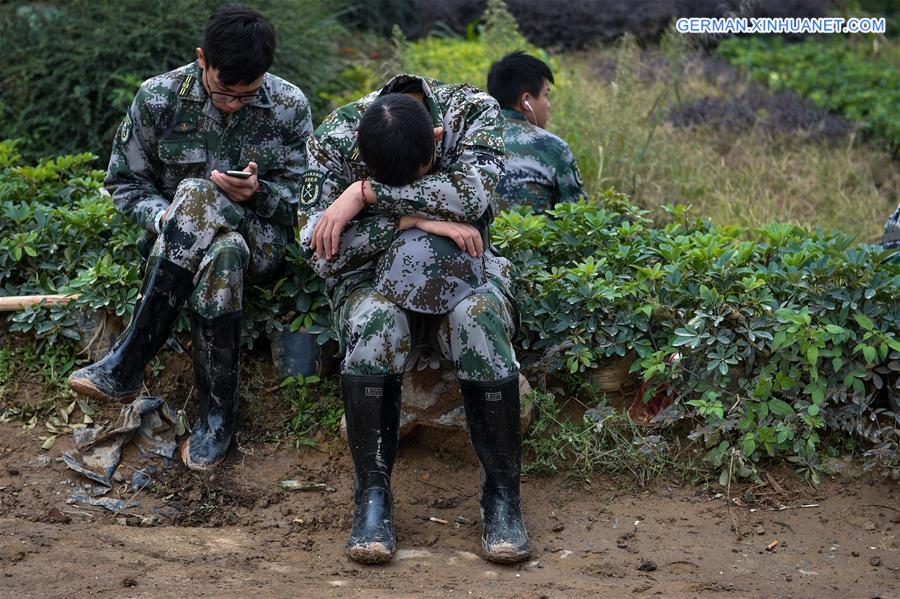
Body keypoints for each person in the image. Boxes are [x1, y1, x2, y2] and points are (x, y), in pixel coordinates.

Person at [67, 6, 313, 471]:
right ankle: (217, 419)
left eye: (246, 96)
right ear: (202, 59)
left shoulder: (288, 105)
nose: (232, 103)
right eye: (224, 93)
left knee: (199, 194)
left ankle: (127, 363)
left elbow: (305, 204)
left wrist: (257, 193)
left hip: (260, 240)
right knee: (220, 250)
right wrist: (169, 220)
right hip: (184, 245)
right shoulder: (158, 97)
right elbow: (124, 184)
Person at [298, 74, 529, 565]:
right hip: (368, 279)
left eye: (421, 177)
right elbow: (319, 252)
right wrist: (413, 219)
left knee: (479, 319)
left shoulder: (471, 112)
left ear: (438, 140)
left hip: (467, 268)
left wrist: (367, 197)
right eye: (382, 180)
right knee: (377, 325)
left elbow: (470, 198)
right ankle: (373, 497)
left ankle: (503, 497)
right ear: (362, 150)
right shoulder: (335, 137)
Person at [487, 51, 586, 212]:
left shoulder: (466, 139)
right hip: (532, 236)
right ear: (526, 100)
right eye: (545, 95)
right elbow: (577, 215)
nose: (548, 105)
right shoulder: (553, 148)